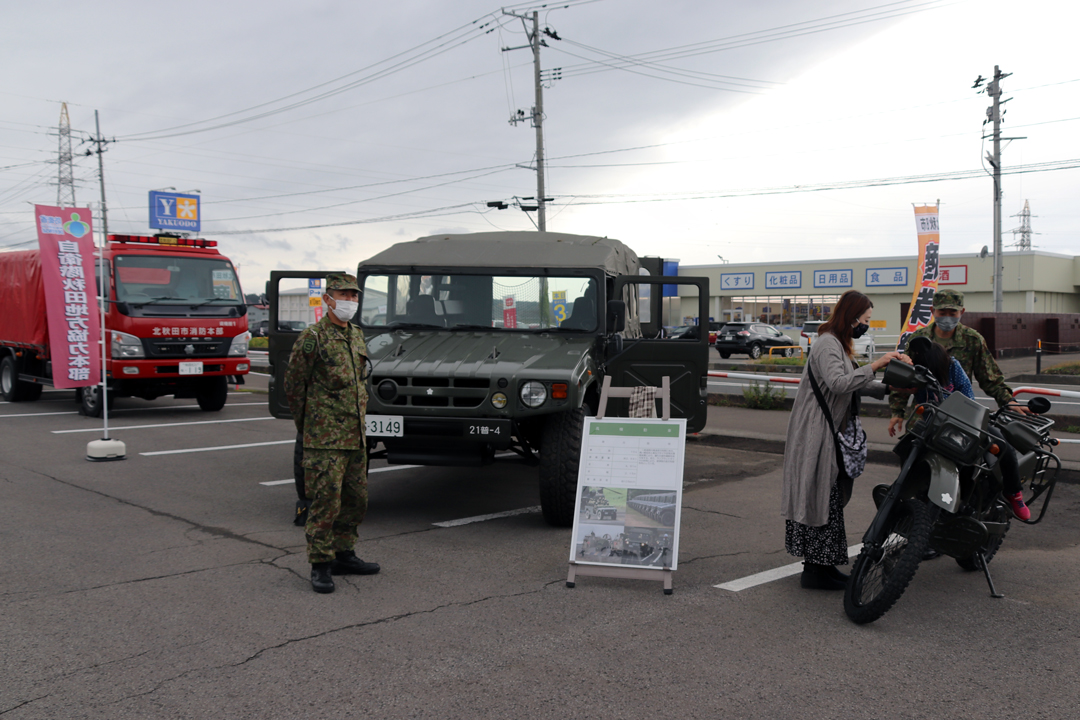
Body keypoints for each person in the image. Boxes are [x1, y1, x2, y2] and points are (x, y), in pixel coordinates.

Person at [781, 290, 908, 590]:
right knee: (823, 497)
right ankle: (815, 571)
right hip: (816, 430)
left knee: (827, 498)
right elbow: (839, 384)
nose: (865, 325)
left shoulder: (837, 343)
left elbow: (853, 383)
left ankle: (821, 567)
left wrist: (889, 387)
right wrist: (877, 364)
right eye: (864, 320)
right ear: (851, 317)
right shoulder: (827, 343)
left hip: (827, 430)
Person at [888, 289, 1031, 519]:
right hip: (926, 416)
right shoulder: (919, 341)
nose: (947, 316)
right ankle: (918, 520)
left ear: (961, 312)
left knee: (990, 455)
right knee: (912, 463)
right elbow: (906, 378)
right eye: (942, 311)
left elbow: (990, 378)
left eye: (952, 312)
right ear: (933, 311)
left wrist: (1009, 401)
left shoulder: (972, 340)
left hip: (963, 418)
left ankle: (1006, 495)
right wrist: (897, 412)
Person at [285, 273, 379, 594]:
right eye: (344, 295)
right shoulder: (313, 338)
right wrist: (307, 426)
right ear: (328, 298)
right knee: (325, 502)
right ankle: (320, 564)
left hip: (355, 436)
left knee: (356, 500)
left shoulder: (356, 335)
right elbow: (294, 385)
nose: (350, 301)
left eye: (354, 296)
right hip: (324, 439)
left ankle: (344, 554)